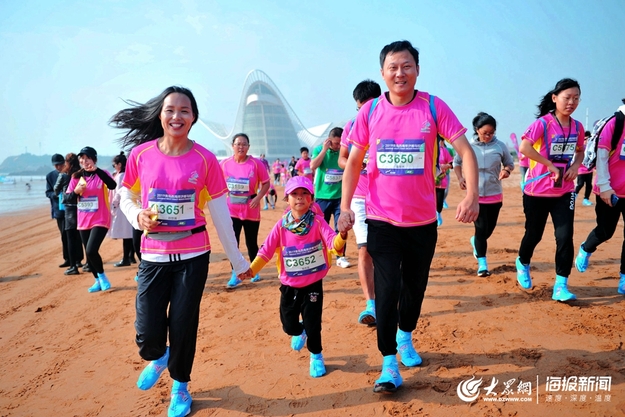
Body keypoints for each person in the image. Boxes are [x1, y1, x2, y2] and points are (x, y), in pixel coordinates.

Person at [338, 40, 479, 393]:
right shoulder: (369, 111)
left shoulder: (433, 106)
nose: (400, 73)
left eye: (407, 66)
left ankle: (405, 335)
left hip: (422, 222)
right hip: (381, 219)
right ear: (383, 73)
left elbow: (465, 150)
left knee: (414, 288)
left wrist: (472, 195)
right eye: (392, 67)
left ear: (417, 70)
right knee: (386, 291)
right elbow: (353, 162)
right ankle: (388, 364)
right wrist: (343, 208)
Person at [112, 86, 249, 417]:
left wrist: (238, 261)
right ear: (160, 114)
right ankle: (159, 356)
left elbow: (220, 216)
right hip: (153, 255)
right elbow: (126, 195)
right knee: (147, 335)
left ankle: (180, 387)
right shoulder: (140, 155)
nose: (177, 116)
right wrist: (136, 215)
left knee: (184, 324)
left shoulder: (205, 160)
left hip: (193, 256)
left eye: (184, 111)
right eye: (170, 109)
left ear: (193, 118)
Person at [238, 176, 347, 378]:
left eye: (304, 193)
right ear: (287, 199)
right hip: (289, 285)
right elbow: (266, 251)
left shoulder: (318, 222)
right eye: (294, 194)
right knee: (289, 325)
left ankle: (316, 355)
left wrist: (342, 234)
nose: (300, 198)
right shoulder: (281, 225)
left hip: (313, 284)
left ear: (312, 199)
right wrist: (252, 270)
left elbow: (334, 245)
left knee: (313, 322)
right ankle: (300, 331)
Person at [516, 78, 585, 302]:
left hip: (564, 191)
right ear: (555, 98)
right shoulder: (543, 124)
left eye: (576, 98)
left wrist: (575, 165)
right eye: (567, 98)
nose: (571, 102)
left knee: (565, 237)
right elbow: (524, 147)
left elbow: (580, 151)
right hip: (537, 190)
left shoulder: (577, 126)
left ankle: (561, 286)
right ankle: (523, 262)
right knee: (533, 235)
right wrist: (549, 164)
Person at [338, 79, 381, 325]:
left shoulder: (391, 120)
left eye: (367, 106)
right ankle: (371, 304)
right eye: (359, 108)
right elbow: (343, 160)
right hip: (360, 198)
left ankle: (389, 297)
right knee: (364, 249)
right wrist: (359, 164)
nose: (363, 112)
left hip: (388, 198)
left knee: (389, 252)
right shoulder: (351, 126)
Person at [454, 112, 514, 277]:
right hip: (476, 195)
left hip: (495, 193)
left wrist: (506, 170)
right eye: (485, 133)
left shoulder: (500, 146)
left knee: (489, 229)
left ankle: (476, 243)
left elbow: (509, 163)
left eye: (491, 133)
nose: (488, 136)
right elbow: (456, 163)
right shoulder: (468, 146)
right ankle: (482, 264)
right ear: (476, 130)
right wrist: (460, 178)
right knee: (481, 231)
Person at [575, 104, 625, 294]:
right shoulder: (615, 123)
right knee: (606, 231)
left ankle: (624, 278)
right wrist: (605, 188)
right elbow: (602, 158)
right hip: (610, 190)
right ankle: (586, 248)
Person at [220, 133, 271, 288]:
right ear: (232, 146)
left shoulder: (256, 164)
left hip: (251, 209)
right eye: (238, 144)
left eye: (244, 144)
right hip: (231, 210)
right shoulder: (224, 164)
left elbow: (266, 183)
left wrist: (258, 198)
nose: (241, 147)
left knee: (251, 242)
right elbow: (217, 184)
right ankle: (235, 272)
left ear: (248, 147)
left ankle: (254, 270)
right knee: (232, 242)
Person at [67, 146, 117, 292]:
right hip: (83, 220)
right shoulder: (76, 177)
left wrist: (97, 170)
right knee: (89, 254)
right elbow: (67, 198)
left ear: (94, 159)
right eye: (81, 159)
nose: (84, 161)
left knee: (91, 249)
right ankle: (97, 281)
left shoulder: (102, 174)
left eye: (87, 158)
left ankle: (102, 277)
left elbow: (112, 185)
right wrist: (76, 192)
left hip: (100, 218)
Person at [311, 127, 351, 269]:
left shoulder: (345, 151)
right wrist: (324, 150)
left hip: (340, 196)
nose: (338, 146)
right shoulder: (319, 150)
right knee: (321, 226)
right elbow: (312, 166)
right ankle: (321, 254)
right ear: (328, 141)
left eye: (340, 143)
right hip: (322, 196)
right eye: (335, 143)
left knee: (341, 226)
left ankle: (341, 256)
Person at [54, 153, 85, 275]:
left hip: (70, 208)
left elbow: (56, 190)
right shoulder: (81, 173)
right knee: (83, 236)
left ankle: (73, 266)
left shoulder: (64, 175)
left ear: (66, 162)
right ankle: (84, 262)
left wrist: (63, 191)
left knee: (70, 237)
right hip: (83, 206)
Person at [108, 152, 136, 267]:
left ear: (119, 164)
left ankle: (126, 258)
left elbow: (118, 192)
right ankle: (130, 257)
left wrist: (114, 205)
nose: (114, 167)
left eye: (114, 165)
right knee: (129, 234)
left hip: (121, 207)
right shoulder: (127, 174)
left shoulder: (120, 176)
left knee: (126, 234)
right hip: (128, 205)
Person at [46, 153, 69, 268]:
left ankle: (77, 259)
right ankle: (67, 259)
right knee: (63, 235)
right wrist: (56, 195)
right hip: (58, 210)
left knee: (74, 235)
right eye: (56, 165)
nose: (58, 167)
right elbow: (48, 192)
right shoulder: (50, 176)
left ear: (64, 163)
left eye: (60, 164)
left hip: (71, 209)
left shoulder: (69, 173)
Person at [435, 137, 454, 227]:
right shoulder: (429, 149)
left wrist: (444, 166)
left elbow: (451, 164)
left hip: (441, 180)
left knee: (439, 201)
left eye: (439, 141)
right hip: (429, 182)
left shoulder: (444, 151)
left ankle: (438, 214)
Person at [575, 131, 594, 206]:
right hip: (581, 170)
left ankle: (586, 199)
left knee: (589, 185)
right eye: (585, 139)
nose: (586, 141)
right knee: (580, 184)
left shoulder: (591, 148)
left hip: (589, 170)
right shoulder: (580, 148)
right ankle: (573, 196)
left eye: (588, 139)